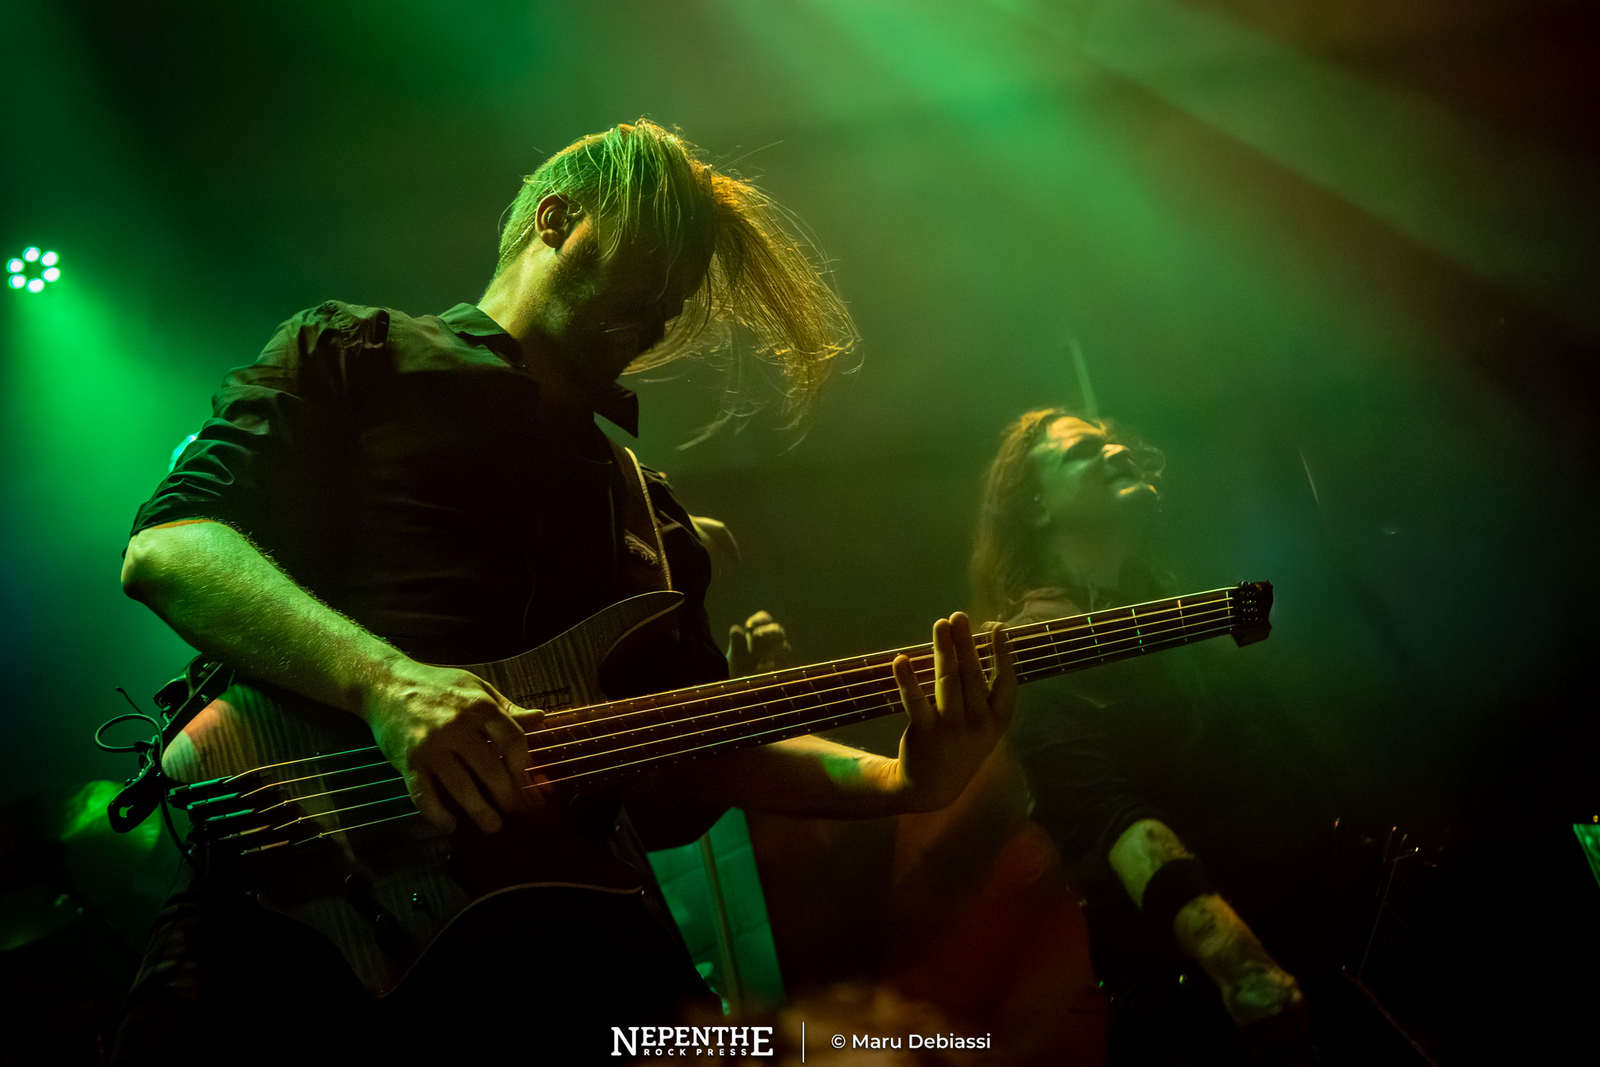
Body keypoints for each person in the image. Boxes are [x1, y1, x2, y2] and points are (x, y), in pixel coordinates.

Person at [112, 119, 1015, 1064]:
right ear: (556, 219)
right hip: (290, 918)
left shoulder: (650, 517)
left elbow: (693, 756)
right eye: (656, 262)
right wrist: (385, 684)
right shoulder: (354, 353)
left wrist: (900, 781)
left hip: (562, 954)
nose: (667, 308)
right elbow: (169, 550)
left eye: (683, 290)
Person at [968, 408, 1309, 1060]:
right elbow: (1107, 815)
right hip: (1192, 1009)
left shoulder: (1171, 606)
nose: (1116, 451)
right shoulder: (1031, 648)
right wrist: (1242, 966)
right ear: (1036, 507)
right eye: (1082, 451)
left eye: (1113, 441)